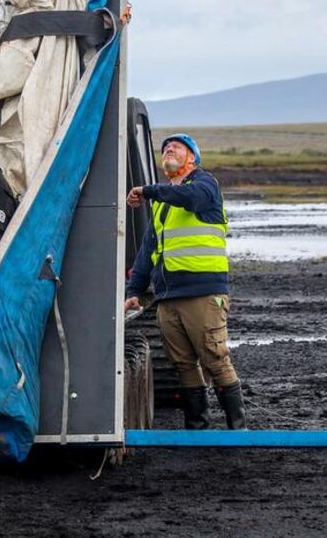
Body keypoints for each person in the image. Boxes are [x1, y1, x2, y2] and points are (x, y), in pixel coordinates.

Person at [123, 133, 246, 430]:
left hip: (203, 293)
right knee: (183, 364)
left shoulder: (205, 185)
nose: (169, 149)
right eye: (165, 148)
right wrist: (134, 291)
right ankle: (198, 427)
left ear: (192, 159)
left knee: (215, 359)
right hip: (169, 297)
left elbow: (189, 198)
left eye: (177, 147)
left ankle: (239, 429)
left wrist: (149, 190)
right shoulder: (163, 205)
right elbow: (148, 251)